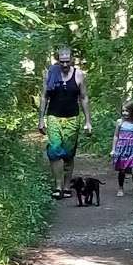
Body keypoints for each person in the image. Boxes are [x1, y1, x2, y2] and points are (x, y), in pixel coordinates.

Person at [38, 45, 92, 197]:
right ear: (58, 60)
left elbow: (84, 97)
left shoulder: (79, 75)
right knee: (55, 150)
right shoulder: (50, 74)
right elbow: (44, 97)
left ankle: (67, 187)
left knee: (68, 153)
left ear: (72, 60)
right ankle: (58, 186)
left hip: (72, 118)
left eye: (67, 61)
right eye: (62, 61)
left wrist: (88, 121)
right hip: (54, 116)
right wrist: (41, 119)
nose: (65, 64)